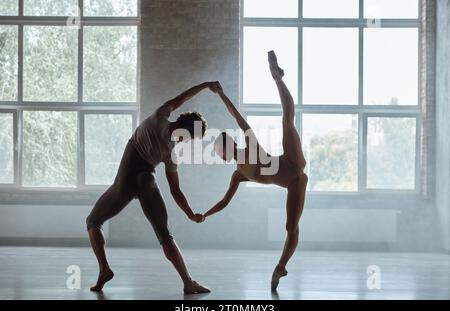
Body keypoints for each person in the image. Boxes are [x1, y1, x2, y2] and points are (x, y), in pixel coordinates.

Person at [86, 81, 222, 293]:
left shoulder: (160, 117)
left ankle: (104, 269)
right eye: (191, 138)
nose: (187, 142)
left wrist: (206, 86)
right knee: (164, 234)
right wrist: (189, 214)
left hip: (127, 179)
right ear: (186, 130)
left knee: (93, 221)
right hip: (145, 180)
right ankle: (187, 282)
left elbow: (183, 97)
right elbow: (175, 191)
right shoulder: (171, 151)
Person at [201, 51, 308, 291]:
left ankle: (277, 78)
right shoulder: (238, 174)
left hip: (292, 162)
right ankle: (281, 266)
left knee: (286, 121)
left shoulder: (250, 146)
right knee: (290, 228)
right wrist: (205, 214)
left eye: (219, 151)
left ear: (227, 147)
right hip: (294, 182)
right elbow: (224, 201)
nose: (219, 155)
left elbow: (237, 117)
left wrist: (221, 94)